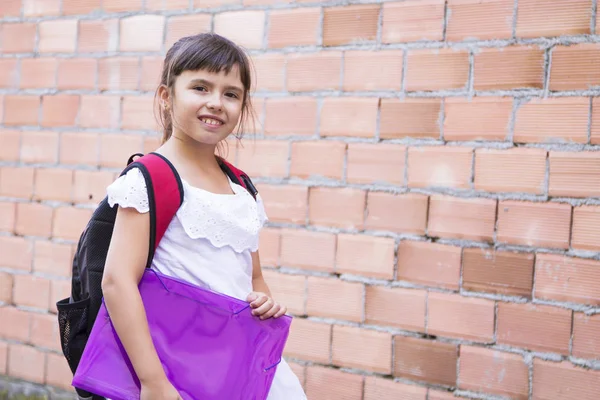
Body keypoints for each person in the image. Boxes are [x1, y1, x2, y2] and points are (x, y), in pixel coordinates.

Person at [100, 33, 307, 400]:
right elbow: (117, 282)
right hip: (174, 367)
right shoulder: (150, 179)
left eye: (231, 94)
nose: (216, 103)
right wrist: (154, 383)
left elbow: (253, 276)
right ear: (167, 97)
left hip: (237, 363)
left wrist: (264, 302)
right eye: (200, 87)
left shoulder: (240, 187)